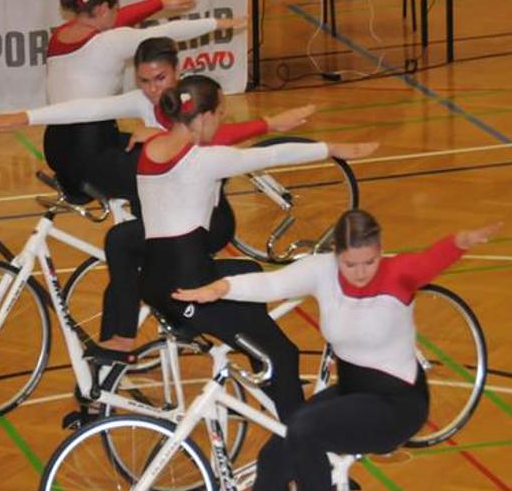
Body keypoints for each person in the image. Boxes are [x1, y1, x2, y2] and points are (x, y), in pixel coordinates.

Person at [173, 209, 501, 491]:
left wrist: (461, 242)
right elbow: (271, 284)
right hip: (351, 393)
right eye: (350, 264)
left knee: (304, 428)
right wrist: (219, 289)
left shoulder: (400, 273)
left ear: (380, 250)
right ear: (336, 256)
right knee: (274, 457)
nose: (360, 273)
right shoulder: (321, 271)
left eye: (369, 262)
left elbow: (434, 257)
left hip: (397, 405)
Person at [0, 37, 314, 354]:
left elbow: (214, 136)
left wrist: (266, 124)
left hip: (207, 222)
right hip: (167, 218)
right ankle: (119, 341)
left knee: (129, 245)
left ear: (178, 71)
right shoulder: (142, 101)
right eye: (144, 81)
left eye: (161, 78)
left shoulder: (194, 102)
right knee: (122, 243)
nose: (153, 89)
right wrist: (22, 117)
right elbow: (86, 109)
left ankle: (159, 325)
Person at [137, 75, 378, 423]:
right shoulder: (203, 162)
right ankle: (302, 455)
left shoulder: (151, 149)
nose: (221, 122)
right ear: (203, 117)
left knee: (246, 272)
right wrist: (330, 149)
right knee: (283, 353)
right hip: (189, 290)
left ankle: (272, 399)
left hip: (156, 279)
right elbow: (274, 154)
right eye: (220, 114)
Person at [40, 0, 247, 210]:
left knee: (145, 144)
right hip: (90, 151)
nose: (120, 15)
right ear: (104, 8)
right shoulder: (110, 42)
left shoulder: (59, 36)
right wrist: (219, 23)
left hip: (56, 147)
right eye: (117, 9)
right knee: (166, 162)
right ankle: (159, 236)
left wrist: (160, 2)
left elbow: (117, 20)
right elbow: (169, 32)